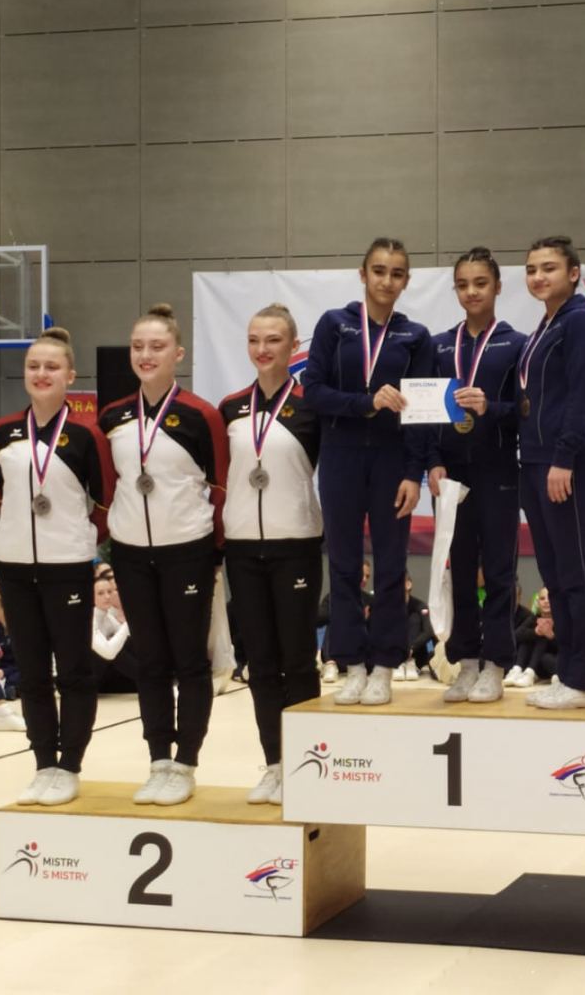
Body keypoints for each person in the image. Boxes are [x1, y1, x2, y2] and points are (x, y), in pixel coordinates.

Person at [100, 303, 228, 806]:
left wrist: (214, 553)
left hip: (188, 551)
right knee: (150, 662)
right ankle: (158, 760)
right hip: (132, 554)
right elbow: (108, 488)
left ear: (178, 353)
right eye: (138, 347)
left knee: (189, 661)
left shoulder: (201, 415)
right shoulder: (113, 416)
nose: (146, 355)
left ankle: (186, 762)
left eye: (157, 346)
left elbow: (221, 488)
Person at [303, 238, 433, 707]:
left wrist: (413, 473)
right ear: (363, 274)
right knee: (342, 563)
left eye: (397, 273)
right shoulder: (334, 324)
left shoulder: (414, 335)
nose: (386, 281)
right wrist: (366, 403)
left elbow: (421, 412)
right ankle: (351, 664)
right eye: (379, 271)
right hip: (340, 457)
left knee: (392, 566)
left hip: (391, 462)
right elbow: (312, 390)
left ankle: (384, 666)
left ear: (406, 281)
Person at [0, 327, 116, 805]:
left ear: (70, 376)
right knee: (32, 672)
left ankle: (70, 765)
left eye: (51, 367)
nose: (41, 374)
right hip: (16, 567)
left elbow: (105, 500)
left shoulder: (87, 435)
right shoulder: (2, 431)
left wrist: (78, 539)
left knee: (75, 671)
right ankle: (43, 763)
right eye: (34, 366)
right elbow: (0, 495)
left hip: (67, 566)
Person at [219, 303, 323, 805]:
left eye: (274, 340)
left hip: (296, 543)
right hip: (242, 548)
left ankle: (307, 765)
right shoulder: (230, 408)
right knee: (260, 663)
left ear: (294, 346)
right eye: (254, 340)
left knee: (297, 659)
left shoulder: (311, 406)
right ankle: (275, 764)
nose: (263, 349)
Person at [427, 247, 525, 703]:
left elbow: (527, 411)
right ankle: (465, 661)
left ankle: (497, 665)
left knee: (500, 569)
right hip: (452, 471)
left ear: (498, 287)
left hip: (498, 468)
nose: (471, 292)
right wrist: (432, 461)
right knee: (459, 566)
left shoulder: (516, 343)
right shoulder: (439, 345)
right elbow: (426, 414)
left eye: (480, 283)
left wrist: (492, 407)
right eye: (463, 284)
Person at [517, 235, 585, 709]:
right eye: (532, 269)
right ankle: (570, 673)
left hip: (564, 464)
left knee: (577, 573)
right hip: (536, 461)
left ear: (573, 274)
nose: (539, 277)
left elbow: (583, 395)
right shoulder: (547, 323)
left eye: (549, 268)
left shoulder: (580, 320)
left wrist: (563, 457)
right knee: (554, 574)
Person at [507, 588, 558, 687]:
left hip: (553, 661)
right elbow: (516, 635)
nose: (546, 601)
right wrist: (536, 632)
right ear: (538, 603)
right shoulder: (534, 618)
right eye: (542, 599)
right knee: (529, 636)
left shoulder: (561, 620)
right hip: (536, 663)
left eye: (550, 598)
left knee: (543, 641)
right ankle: (518, 670)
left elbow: (568, 647)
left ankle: (530, 672)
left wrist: (551, 636)